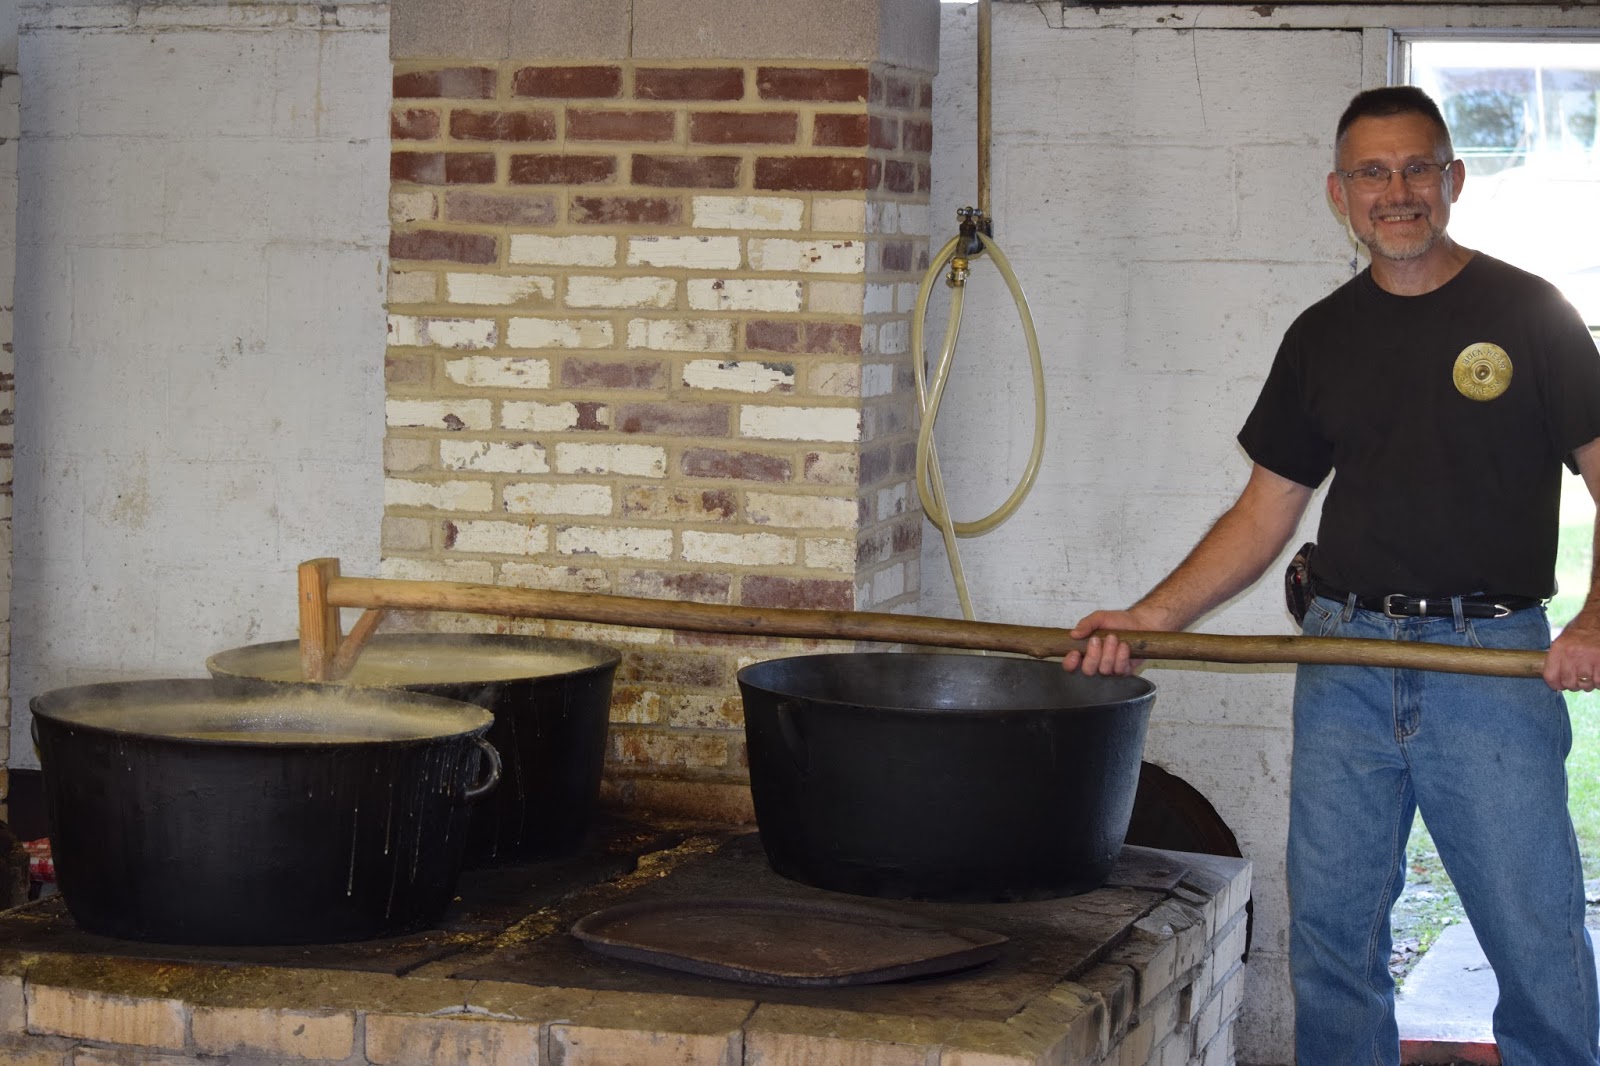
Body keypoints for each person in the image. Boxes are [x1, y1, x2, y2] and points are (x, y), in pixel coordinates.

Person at [1063, 85, 1600, 1064]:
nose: (1397, 191)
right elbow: (1263, 511)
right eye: (1371, 173)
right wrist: (1147, 617)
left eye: (1416, 167)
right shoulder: (1321, 335)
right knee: (1331, 939)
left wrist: (1596, 620)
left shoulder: (1533, 314)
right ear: (1337, 193)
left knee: (1535, 932)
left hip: (1487, 662)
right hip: (1344, 657)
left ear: (1453, 179)